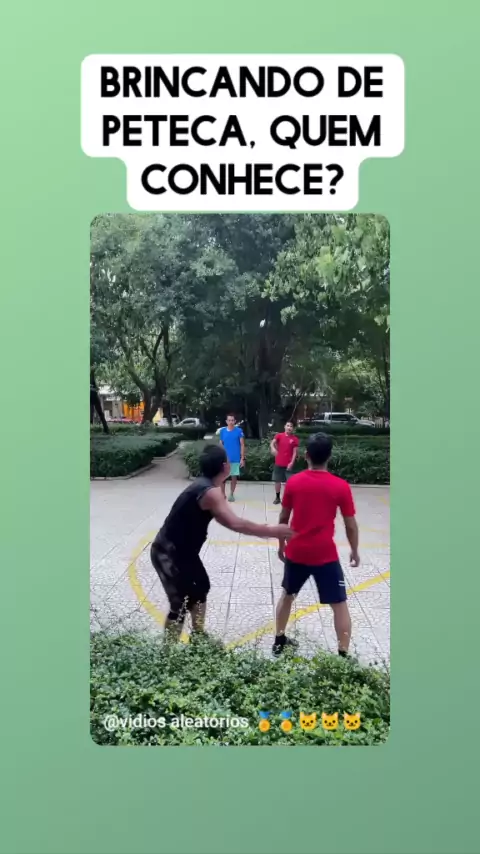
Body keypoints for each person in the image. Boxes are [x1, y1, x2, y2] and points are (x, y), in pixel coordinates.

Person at [150, 444, 292, 639]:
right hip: (168, 553)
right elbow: (235, 523)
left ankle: (198, 638)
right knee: (179, 603)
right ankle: (168, 651)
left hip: (183, 553)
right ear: (225, 467)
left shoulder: (207, 487)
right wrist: (272, 531)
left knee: (200, 587)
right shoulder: (209, 492)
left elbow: (227, 520)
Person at [273, 432, 360, 657]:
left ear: (306, 455)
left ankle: (279, 641)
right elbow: (350, 525)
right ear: (329, 456)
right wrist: (354, 550)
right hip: (324, 554)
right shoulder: (340, 486)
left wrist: (281, 545)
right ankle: (343, 655)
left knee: (287, 594)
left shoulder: (294, 482)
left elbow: (283, 518)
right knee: (339, 604)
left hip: (296, 551)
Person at [270, 421, 299, 505]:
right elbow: (272, 443)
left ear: (293, 428)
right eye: (288, 425)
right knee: (277, 480)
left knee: (289, 482)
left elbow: (295, 452)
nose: (289, 427)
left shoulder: (294, 439)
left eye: (291, 426)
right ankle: (277, 497)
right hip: (278, 462)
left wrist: (292, 462)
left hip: (288, 464)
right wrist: (273, 448)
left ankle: (288, 498)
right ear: (284, 427)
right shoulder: (279, 435)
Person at [218, 414, 245, 502]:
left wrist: (242, 458)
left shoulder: (239, 431)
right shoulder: (223, 431)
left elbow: (242, 444)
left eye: (232, 420)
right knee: (222, 478)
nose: (231, 422)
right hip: (225, 459)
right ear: (226, 421)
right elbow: (221, 443)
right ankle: (222, 494)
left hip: (235, 458)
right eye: (229, 420)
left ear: (235, 421)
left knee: (234, 477)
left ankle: (231, 494)